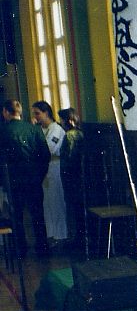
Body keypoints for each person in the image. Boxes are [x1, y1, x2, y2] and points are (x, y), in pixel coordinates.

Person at [0, 99, 50, 257]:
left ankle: (20, 249)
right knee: (37, 214)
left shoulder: (3, 131)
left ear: (6, 112)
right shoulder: (34, 129)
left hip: (13, 181)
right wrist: (39, 176)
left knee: (17, 216)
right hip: (33, 179)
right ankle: (42, 248)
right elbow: (45, 155)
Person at [32, 100, 67, 245]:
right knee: (47, 202)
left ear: (46, 113)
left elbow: (49, 148)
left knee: (56, 201)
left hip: (54, 167)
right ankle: (51, 234)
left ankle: (60, 235)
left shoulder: (56, 129)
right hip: (43, 169)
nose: (35, 117)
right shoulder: (40, 129)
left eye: (37, 113)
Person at [58, 107, 86, 252]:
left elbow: (68, 158)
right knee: (79, 210)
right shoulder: (81, 133)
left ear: (68, 121)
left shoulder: (69, 135)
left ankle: (77, 239)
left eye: (62, 120)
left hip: (72, 178)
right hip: (80, 178)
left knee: (74, 209)